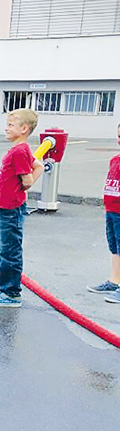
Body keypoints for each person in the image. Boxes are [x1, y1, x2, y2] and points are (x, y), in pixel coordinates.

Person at [0, 108, 44, 308]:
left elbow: (27, 179)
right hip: (2, 206)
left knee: (9, 250)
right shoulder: (19, 149)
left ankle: (11, 293)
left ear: (24, 128)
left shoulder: (19, 151)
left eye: (10, 125)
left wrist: (23, 187)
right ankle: (4, 289)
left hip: (10, 208)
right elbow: (39, 165)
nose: (6, 128)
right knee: (0, 249)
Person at [87, 123, 120, 302]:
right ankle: (115, 280)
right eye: (119, 136)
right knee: (115, 246)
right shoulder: (115, 160)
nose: (119, 140)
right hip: (112, 209)